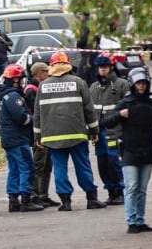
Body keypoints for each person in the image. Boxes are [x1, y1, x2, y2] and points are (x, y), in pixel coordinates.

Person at [34, 50, 107, 211]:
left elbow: (38, 113)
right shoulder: (78, 82)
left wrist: (38, 136)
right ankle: (91, 198)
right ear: (67, 65)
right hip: (77, 134)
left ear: (52, 67)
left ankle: (65, 202)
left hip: (52, 137)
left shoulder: (43, 86)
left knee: (60, 168)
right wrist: (94, 130)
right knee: (83, 166)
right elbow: (89, 110)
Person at [105, 67, 152, 233]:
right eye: (139, 83)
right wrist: (120, 115)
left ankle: (140, 220)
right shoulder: (125, 103)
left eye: (144, 83)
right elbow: (108, 122)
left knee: (142, 188)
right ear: (133, 83)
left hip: (148, 150)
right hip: (130, 150)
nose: (141, 86)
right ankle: (131, 221)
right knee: (132, 186)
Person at [0, 64, 45, 212]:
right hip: (18, 139)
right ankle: (25, 200)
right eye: (21, 78)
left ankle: (13, 201)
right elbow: (21, 118)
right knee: (27, 168)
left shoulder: (6, 96)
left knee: (15, 170)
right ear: (16, 79)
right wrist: (36, 119)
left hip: (10, 139)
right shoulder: (13, 97)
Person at [89, 54, 128, 205]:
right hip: (99, 133)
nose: (102, 70)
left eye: (105, 67)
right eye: (100, 68)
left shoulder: (121, 85)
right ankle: (110, 191)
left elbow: (128, 107)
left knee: (114, 162)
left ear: (111, 67)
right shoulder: (94, 88)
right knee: (102, 163)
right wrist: (91, 131)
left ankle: (119, 191)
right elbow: (89, 110)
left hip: (115, 131)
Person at [24, 62, 58, 207]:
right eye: (45, 72)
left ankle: (43, 195)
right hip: (38, 133)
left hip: (46, 131)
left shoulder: (39, 87)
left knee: (47, 165)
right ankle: (35, 195)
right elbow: (37, 113)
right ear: (38, 73)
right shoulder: (32, 91)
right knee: (39, 165)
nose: (48, 74)